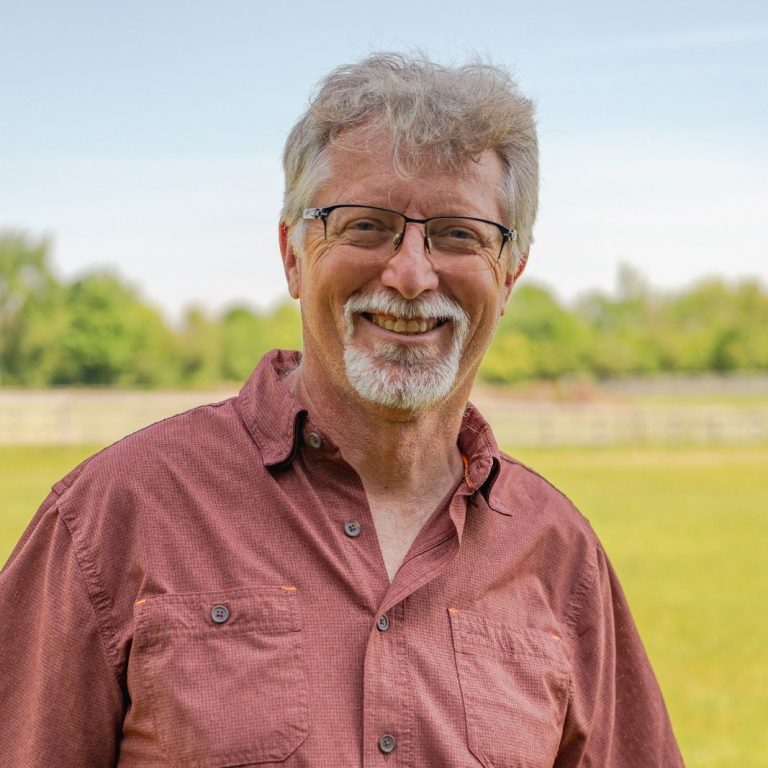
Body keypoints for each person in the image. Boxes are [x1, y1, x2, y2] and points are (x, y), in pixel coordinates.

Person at [0, 52, 684, 767]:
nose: (412, 275)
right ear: (293, 253)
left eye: (458, 234)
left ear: (510, 272)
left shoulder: (560, 556)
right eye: (365, 225)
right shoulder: (113, 514)